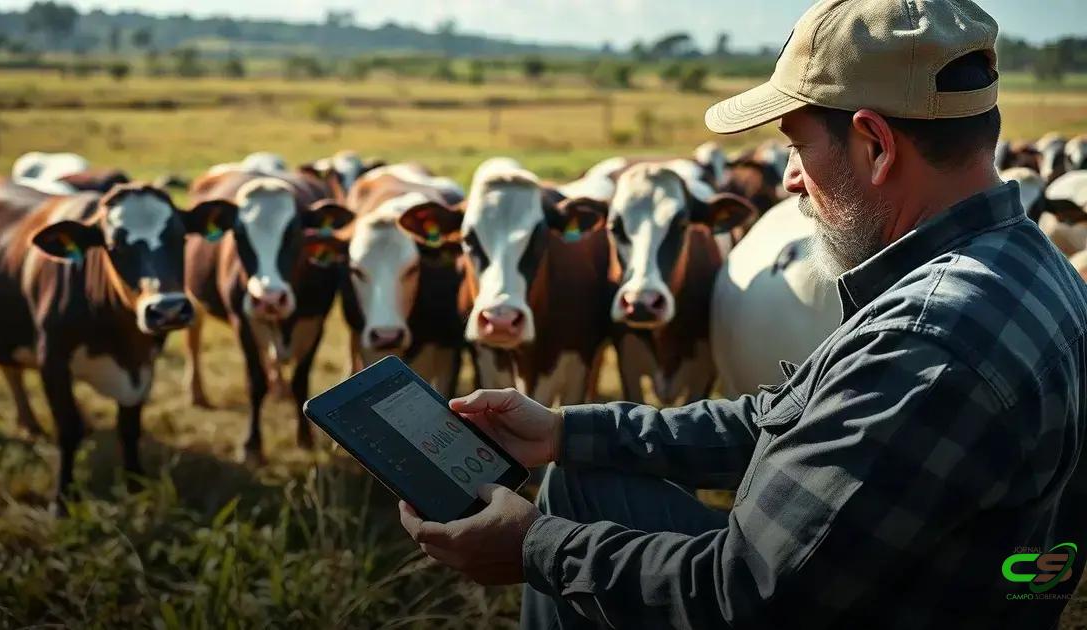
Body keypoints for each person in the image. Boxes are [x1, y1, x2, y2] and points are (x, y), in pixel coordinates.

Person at [398, 0, 1087, 627]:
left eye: (795, 144)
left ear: (875, 146)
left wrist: (531, 547)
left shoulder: (925, 342)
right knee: (580, 476)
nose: (788, 178)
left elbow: (745, 596)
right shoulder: (1029, 262)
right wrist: (566, 432)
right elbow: (796, 420)